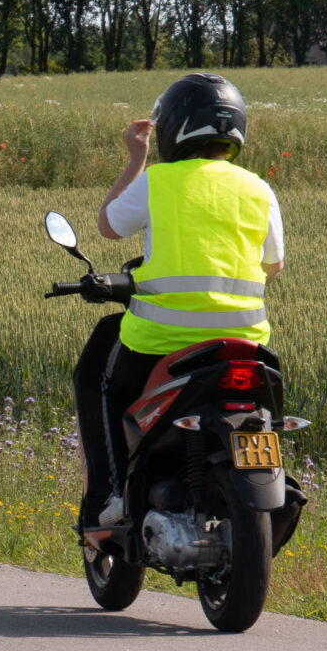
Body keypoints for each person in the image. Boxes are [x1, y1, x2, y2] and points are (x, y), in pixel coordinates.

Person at [73, 73, 284, 529]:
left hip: (160, 341)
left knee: (101, 384)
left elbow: (109, 226)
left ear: (175, 127)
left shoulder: (159, 181)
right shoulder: (260, 190)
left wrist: (136, 158)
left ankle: (110, 495)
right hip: (245, 343)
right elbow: (274, 265)